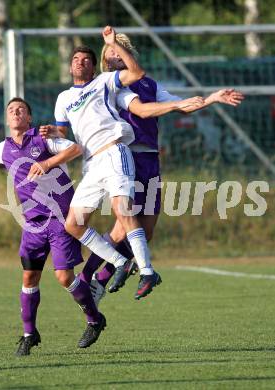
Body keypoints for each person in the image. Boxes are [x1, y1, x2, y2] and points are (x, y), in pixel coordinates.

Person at [82, 33, 244, 306]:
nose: (113, 56)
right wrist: (176, 105)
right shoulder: (108, 86)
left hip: (151, 160)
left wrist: (212, 98)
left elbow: (183, 106)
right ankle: (89, 279)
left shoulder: (148, 83)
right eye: (109, 52)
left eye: (118, 50)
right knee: (122, 229)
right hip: (126, 160)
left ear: (127, 53)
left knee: (145, 232)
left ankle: (101, 278)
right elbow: (143, 111)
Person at [42, 26, 201, 301]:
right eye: (76, 59)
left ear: (95, 68)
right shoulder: (64, 98)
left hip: (116, 153)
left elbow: (138, 87)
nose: (80, 62)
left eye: (86, 60)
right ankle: (119, 263)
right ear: (69, 67)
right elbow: (64, 134)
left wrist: (114, 42)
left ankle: (145, 271)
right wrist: (50, 133)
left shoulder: (106, 83)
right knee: (74, 223)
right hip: (91, 163)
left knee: (124, 213)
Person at [0, 97, 106, 354]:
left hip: (60, 219)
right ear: (7, 119)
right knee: (29, 276)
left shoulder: (43, 139)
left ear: (29, 118)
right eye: (11, 110)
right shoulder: (4, 148)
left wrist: (47, 162)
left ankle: (94, 320)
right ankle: (29, 334)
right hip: (33, 225)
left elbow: (76, 149)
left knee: (64, 277)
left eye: (21, 110)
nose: (16, 113)